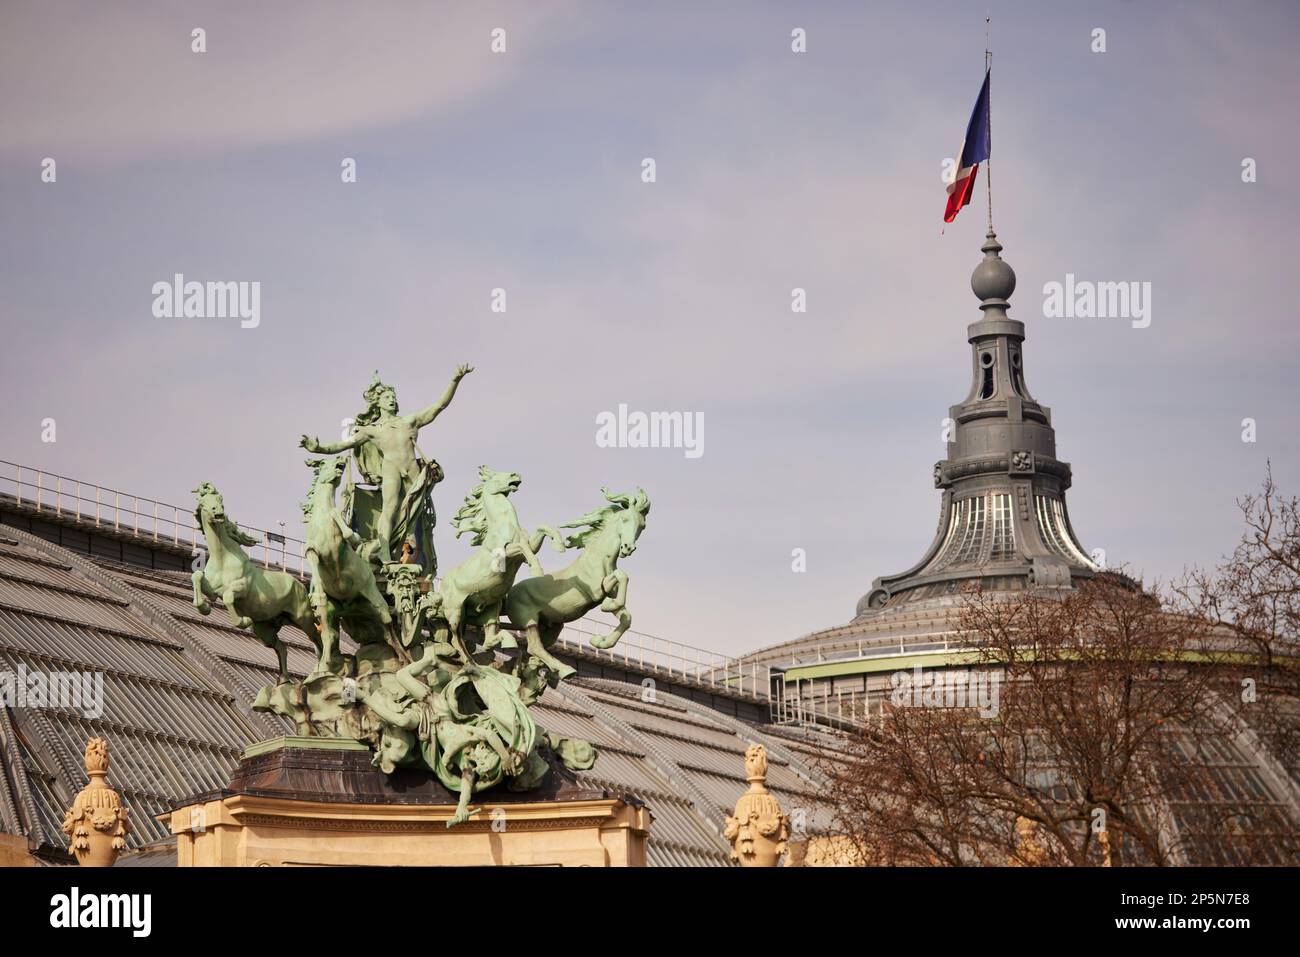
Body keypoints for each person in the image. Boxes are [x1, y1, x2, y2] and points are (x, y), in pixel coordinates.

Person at [301, 364, 472, 565]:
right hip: (390, 469)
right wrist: (318, 448)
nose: (391, 400)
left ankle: (404, 553)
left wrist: (455, 380)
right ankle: (383, 553)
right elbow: (344, 444)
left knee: (412, 514)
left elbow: (438, 406)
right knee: (390, 509)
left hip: (412, 470)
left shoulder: (409, 421)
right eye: (386, 397)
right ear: (378, 403)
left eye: (393, 397)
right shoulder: (372, 429)